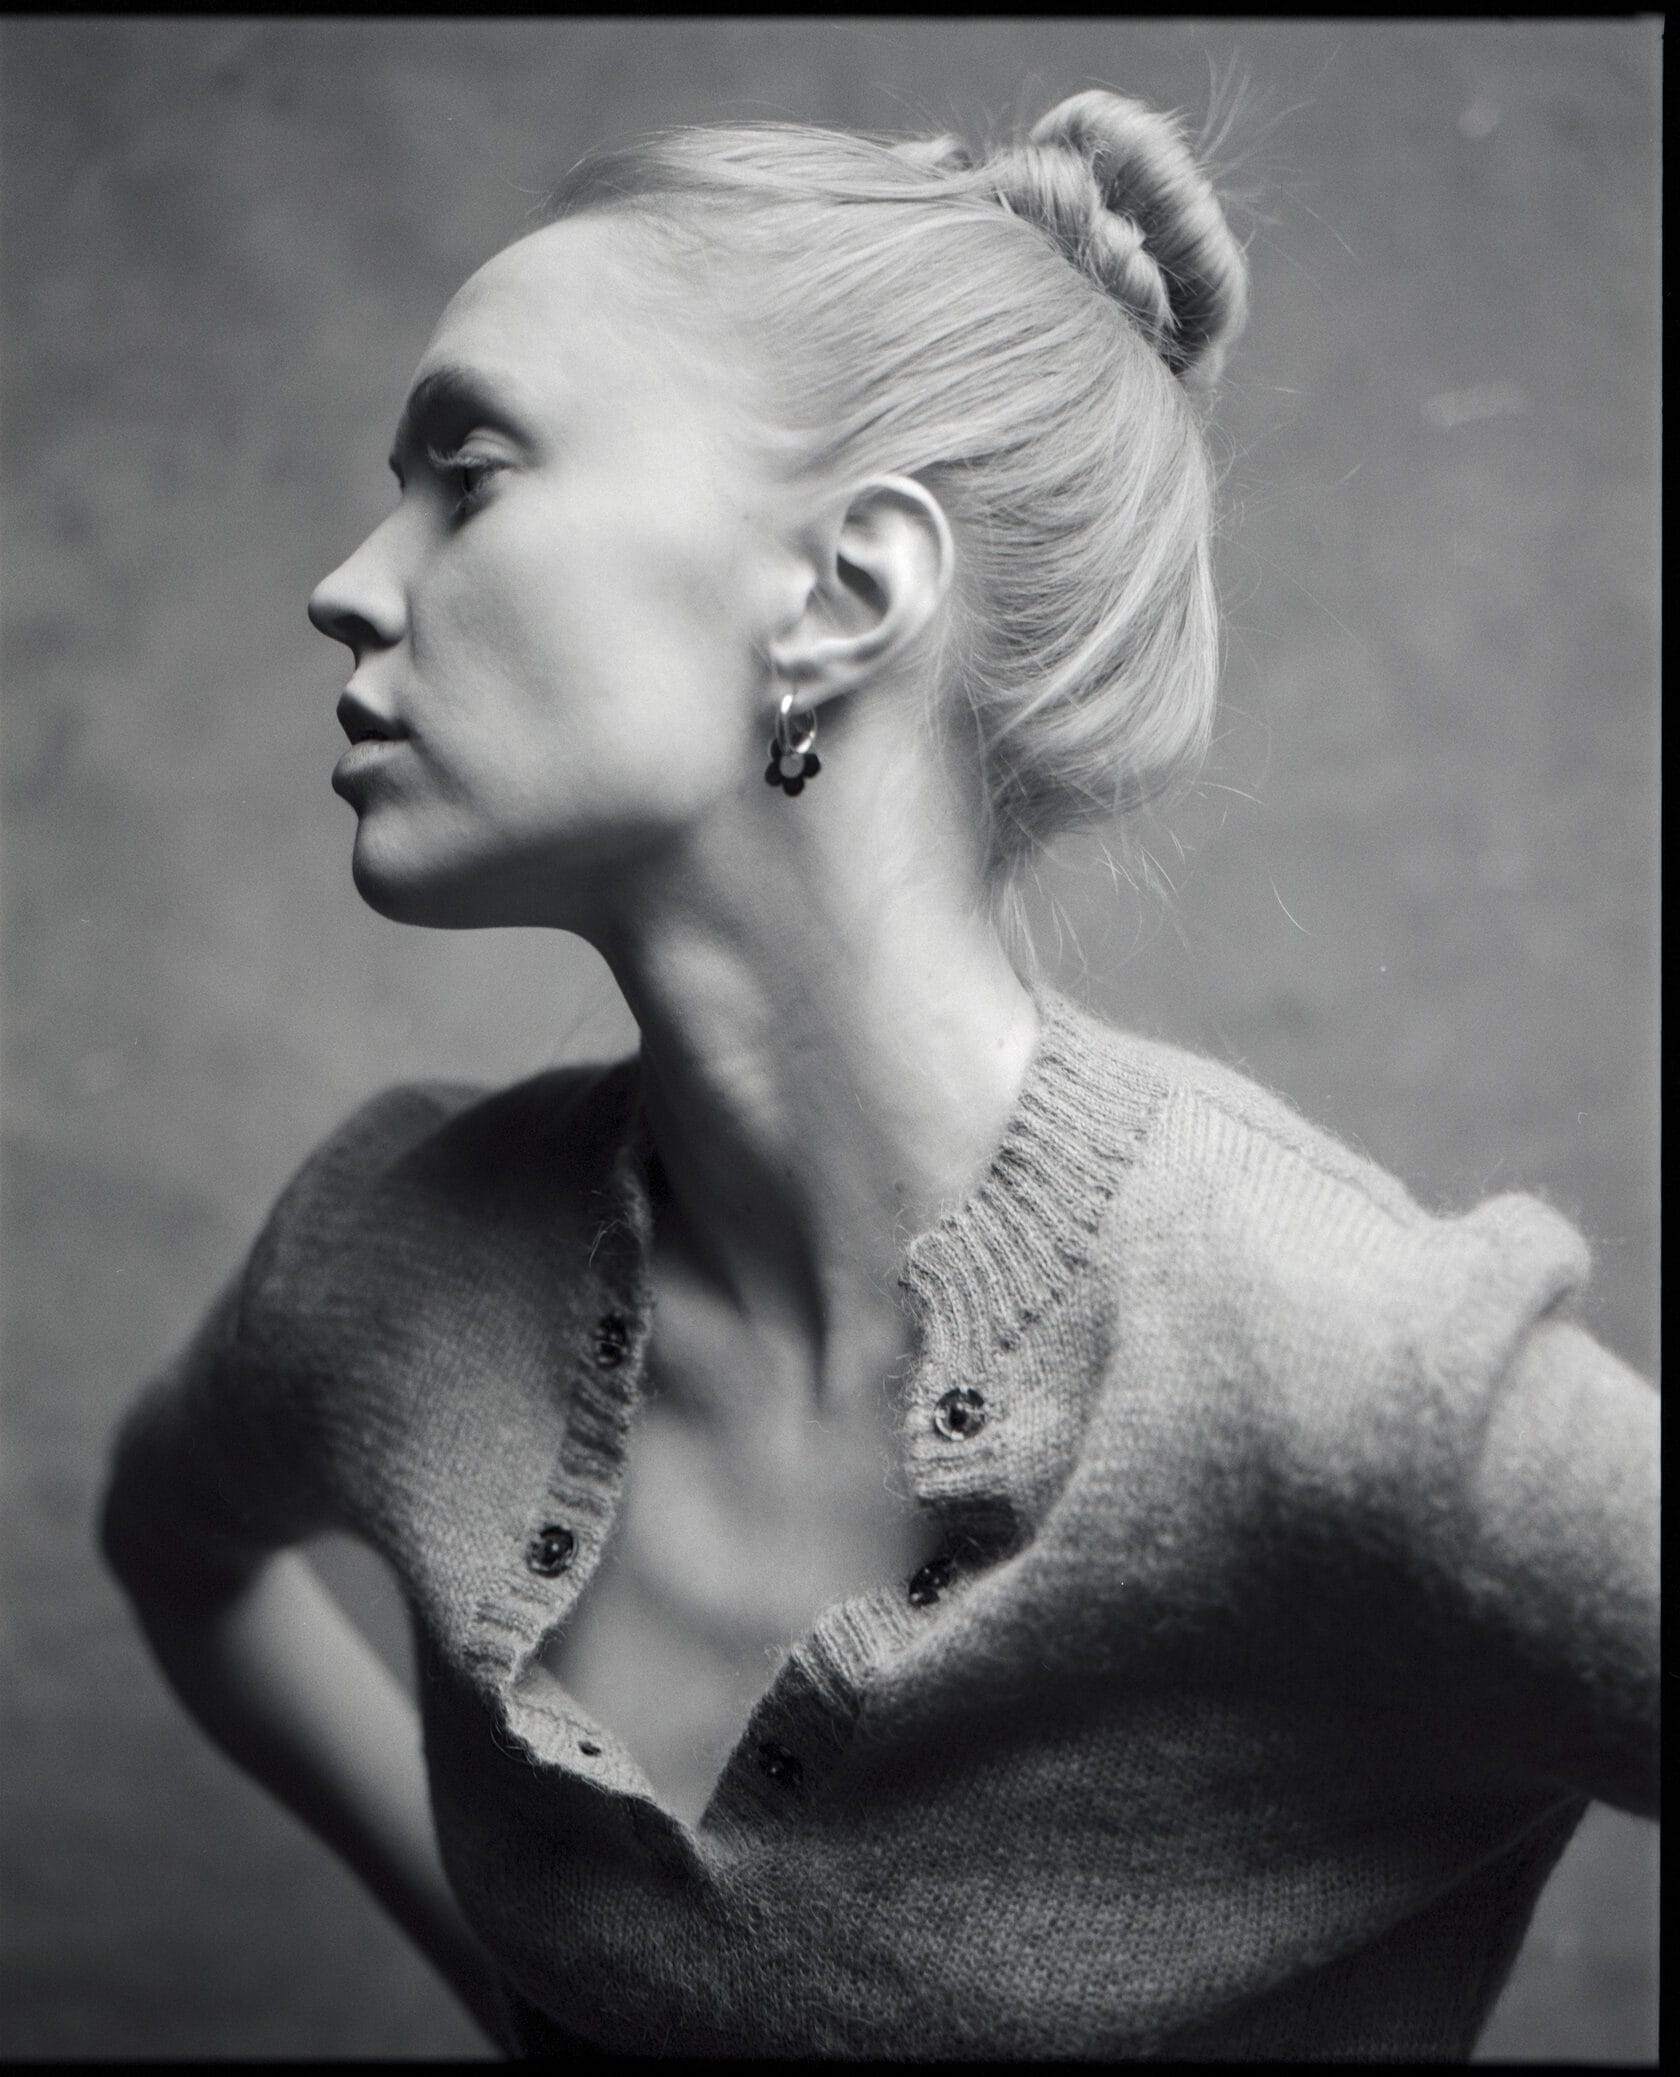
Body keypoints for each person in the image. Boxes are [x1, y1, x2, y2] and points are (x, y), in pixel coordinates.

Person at [98, 89, 1659, 2061]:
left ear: (844, 594)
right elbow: (174, 1547)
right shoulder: (386, 1257)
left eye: (466, 477)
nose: (347, 580)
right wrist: (523, 1992)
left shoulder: (1356, 1383)